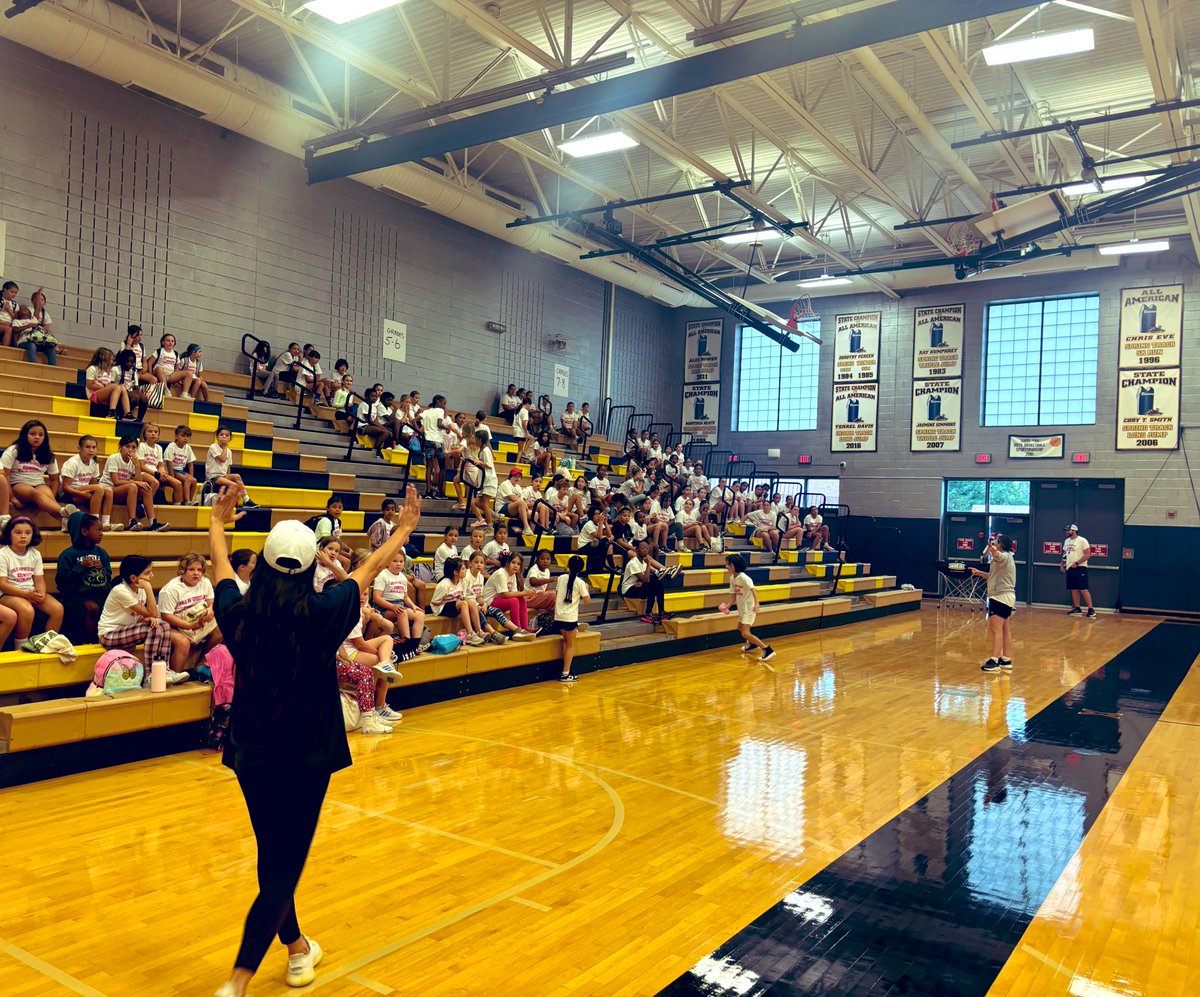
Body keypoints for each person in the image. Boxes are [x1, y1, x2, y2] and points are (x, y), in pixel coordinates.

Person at [209, 484, 421, 997]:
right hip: (307, 753)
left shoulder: (239, 612)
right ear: (310, 569)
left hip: (253, 751)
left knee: (272, 853)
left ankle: (298, 947)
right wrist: (404, 530)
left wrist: (217, 523)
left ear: (262, 566)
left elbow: (221, 570)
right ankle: (237, 981)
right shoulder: (325, 611)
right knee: (283, 866)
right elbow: (368, 570)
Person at [97, 556, 188, 680]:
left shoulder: (140, 590)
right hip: (108, 635)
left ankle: (164, 670)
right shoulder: (120, 591)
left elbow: (140, 616)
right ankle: (151, 675)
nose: (152, 576)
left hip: (127, 631)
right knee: (153, 628)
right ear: (133, 578)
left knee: (164, 625)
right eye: (147, 573)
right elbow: (152, 613)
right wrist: (148, 588)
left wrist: (146, 619)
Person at [2, 420, 77, 530]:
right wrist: (12, 497)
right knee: (36, 494)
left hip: (39, 484)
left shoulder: (48, 455)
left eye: (41, 435)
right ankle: (63, 512)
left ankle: (66, 522)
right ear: (25, 435)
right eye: (33, 434)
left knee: (47, 495)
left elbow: (54, 479)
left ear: (45, 437)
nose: (37, 437)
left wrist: (52, 497)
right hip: (18, 484)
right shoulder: (14, 450)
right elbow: (4, 476)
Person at [0, 516, 61, 641]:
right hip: (9, 594)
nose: (23, 536)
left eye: (27, 533)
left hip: (30, 592)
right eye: (18, 532)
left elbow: (39, 579)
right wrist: (27, 595)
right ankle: (20, 647)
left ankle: (47, 643)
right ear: (9, 534)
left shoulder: (35, 554)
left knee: (57, 609)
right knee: (27, 610)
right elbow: (3, 585)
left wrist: (41, 594)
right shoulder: (3, 554)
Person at [57, 512, 112, 643]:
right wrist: (80, 567)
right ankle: (88, 641)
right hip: (77, 595)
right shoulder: (68, 555)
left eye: (102, 530)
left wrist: (101, 569)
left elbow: (108, 576)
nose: (101, 534)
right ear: (84, 531)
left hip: (99, 592)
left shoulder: (102, 553)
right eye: (98, 530)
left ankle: (107, 638)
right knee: (92, 608)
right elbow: (61, 581)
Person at [973, 534, 1016, 671]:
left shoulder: (1004, 556)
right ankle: (1006, 660)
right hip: (1007, 596)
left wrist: (992, 549)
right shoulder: (1006, 558)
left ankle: (994, 660)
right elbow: (992, 577)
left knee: (996, 629)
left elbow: (998, 555)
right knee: (1005, 629)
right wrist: (979, 573)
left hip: (1000, 597)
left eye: (996, 541)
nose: (993, 542)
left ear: (1000, 545)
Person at [720, 553, 774, 661]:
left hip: (749, 608)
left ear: (735, 565)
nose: (726, 566)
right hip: (742, 608)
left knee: (745, 632)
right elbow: (734, 595)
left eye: (728, 564)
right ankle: (752, 644)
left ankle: (767, 649)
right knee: (740, 628)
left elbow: (753, 589)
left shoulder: (744, 578)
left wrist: (757, 603)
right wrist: (728, 606)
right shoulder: (732, 578)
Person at [60, 435, 115, 526]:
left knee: (108, 491)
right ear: (79, 448)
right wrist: (82, 494)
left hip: (84, 490)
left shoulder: (94, 462)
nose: (91, 450)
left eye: (94, 447)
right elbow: (65, 487)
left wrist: (93, 495)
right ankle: (94, 522)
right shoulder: (72, 463)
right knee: (99, 488)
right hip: (70, 493)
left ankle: (106, 523)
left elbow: (93, 484)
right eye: (88, 447)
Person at [554, 555, 590, 682]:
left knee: (565, 642)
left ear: (568, 565)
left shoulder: (560, 578)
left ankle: (566, 669)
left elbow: (557, 595)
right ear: (581, 569)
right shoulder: (580, 583)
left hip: (558, 617)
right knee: (570, 645)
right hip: (570, 618)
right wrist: (586, 589)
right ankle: (565, 673)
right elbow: (587, 601)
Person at [621, 540, 668, 625]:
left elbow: (644, 579)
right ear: (637, 550)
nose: (645, 550)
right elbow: (645, 579)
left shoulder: (643, 561)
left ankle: (661, 612)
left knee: (658, 584)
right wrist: (649, 564)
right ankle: (647, 614)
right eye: (642, 548)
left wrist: (642, 582)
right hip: (628, 590)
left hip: (637, 586)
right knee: (651, 587)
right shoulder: (633, 563)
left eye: (647, 548)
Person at [1062, 524, 1096, 618]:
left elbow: (1088, 554)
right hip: (1069, 567)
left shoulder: (1082, 540)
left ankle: (1091, 609)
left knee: (1083, 589)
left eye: (1068, 530)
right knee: (1074, 589)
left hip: (1080, 567)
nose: (1066, 532)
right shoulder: (1066, 541)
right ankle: (1077, 608)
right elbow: (1065, 554)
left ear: (1074, 531)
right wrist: (1062, 564)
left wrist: (1077, 563)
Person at [421, 394, 450, 498]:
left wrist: (422, 433)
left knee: (429, 467)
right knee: (442, 466)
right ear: (438, 402)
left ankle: (428, 492)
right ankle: (440, 492)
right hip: (437, 441)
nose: (444, 406)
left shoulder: (426, 411)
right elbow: (439, 424)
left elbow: (414, 420)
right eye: (444, 403)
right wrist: (446, 428)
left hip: (428, 440)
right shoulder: (440, 410)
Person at [162, 425, 199, 506]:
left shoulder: (188, 448)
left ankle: (190, 500)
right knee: (187, 479)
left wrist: (191, 476)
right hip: (171, 470)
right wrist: (172, 477)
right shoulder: (172, 446)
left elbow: (190, 464)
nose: (185, 438)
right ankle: (186, 501)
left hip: (180, 471)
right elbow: (168, 462)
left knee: (194, 480)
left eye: (187, 436)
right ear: (176, 436)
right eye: (183, 436)